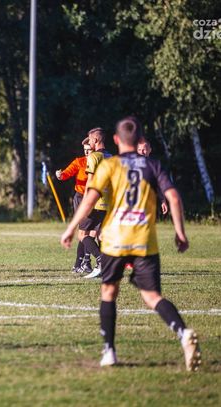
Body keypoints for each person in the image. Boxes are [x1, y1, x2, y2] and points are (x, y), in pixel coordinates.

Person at [60, 116, 201, 371]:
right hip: (144, 239)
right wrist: (180, 233)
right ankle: (183, 333)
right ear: (139, 141)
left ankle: (109, 352)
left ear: (116, 140)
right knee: (152, 296)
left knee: (108, 292)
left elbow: (89, 198)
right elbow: (173, 198)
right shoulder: (152, 165)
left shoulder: (110, 165)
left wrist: (71, 229)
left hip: (115, 239)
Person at [55, 141, 93, 273]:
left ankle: (83, 263)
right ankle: (81, 263)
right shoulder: (80, 162)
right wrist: (60, 175)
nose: (86, 152)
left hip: (95, 198)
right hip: (81, 197)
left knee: (92, 231)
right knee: (84, 230)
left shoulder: (99, 161)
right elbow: (67, 173)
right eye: (85, 149)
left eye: (89, 149)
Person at [80, 128, 112, 279]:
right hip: (108, 202)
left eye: (90, 140)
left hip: (96, 202)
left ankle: (101, 261)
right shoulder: (111, 157)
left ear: (96, 140)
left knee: (83, 235)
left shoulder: (94, 157)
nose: (89, 142)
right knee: (100, 236)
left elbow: (90, 181)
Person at [137, 139, 168, 215]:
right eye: (139, 150)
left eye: (144, 149)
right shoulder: (129, 165)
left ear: (149, 150)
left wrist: (163, 201)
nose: (141, 152)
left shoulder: (154, 167)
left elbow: (158, 185)